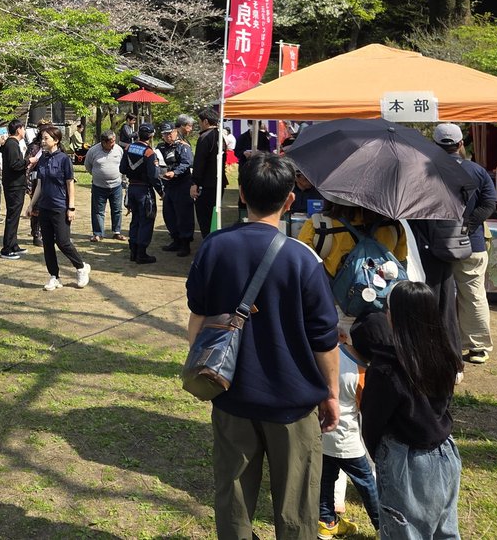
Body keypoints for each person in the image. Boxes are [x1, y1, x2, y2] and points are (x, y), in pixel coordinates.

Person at [186, 152, 340, 540]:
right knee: (297, 507)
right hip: (293, 402)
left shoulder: (214, 248)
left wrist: (204, 365)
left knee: (233, 499)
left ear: (242, 195)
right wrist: (332, 394)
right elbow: (324, 340)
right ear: (290, 200)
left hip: (230, 393)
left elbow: (198, 320)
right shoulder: (302, 259)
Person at [351, 282, 462, 540]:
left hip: (406, 460)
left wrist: (383, 454)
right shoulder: (445, 354)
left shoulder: (386, 368)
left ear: (395, 316)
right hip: (445, 452)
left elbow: (372, 421)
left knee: (405, 532)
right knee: (445, 531)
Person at [432, 122, 497, 365]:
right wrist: (468, 225)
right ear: (460, 144)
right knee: (473, 294)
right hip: (472, 243)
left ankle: (437, 342)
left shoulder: (425, 169)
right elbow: (489, 204)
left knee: (436, 293)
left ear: (434, 145)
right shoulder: (477, 171)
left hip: (435, 244)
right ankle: (477, 347)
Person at [318, 333, 381, 538]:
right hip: (347, 441)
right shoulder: (363, 372)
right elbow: (367, 410)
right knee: (367, 482)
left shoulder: (333, 351)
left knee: (326, 479)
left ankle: (326, 522)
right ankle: (383, 525)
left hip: (324, 432)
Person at [24, 126, 90, 291]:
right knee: (47, 244)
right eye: (42, 138)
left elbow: (70, 183)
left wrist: (71, 207)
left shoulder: (64, 159)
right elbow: (39, 184)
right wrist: (31, 204)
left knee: (63, 242)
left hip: (60, 206)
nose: (43, 141)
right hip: (44, 207)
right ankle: (54, 276)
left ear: (56, 140)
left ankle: (81, 267)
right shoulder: (43, 158)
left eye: (46, 138)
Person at [121, 123, 162, 264]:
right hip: (145, 191)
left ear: (138, 134)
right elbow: (154, 176)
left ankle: (133, 252)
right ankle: (141, 254)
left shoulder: (128, 148)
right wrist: (161, 191)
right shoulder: (149, 153)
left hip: (132, 188)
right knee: (146, 221)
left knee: (135, 220)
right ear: (151, 136)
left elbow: (122, 168)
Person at [157, 122, 195, 257]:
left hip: (182, 184)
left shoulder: (183, 146)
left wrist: (175, 172)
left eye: (170, 133)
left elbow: (187, 163)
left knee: (184, 214)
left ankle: (185, 243)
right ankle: (175, 239)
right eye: (165, 134)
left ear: (175, 132)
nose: (168, 136)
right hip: (168, 185)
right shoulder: (160, 147)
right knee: (169, 214)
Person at [84, 130, 125, 244]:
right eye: (111, 142)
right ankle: (98, 233)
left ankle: (117, 232)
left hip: (116, 186)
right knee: (98, 211)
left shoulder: (118, 149)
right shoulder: (93, 151)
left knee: (117, 210)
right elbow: (88, 165)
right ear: (104, 142)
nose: (113, 144)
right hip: (99, 186)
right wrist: (97, 175)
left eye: (114, 141)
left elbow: (122, 165)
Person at [190, 108, 224, 238]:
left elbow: (199, 162)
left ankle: (208, 242)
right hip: (218, 182)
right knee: (214, 215)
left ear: (205, 121)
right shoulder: (220, 136)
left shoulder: (205, 137)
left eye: (199, 121)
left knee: (205, 218)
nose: (199, 124)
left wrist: (195, 183)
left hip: (206, 184)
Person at [0, 119, 30, 259]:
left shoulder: (11, 143)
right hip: (14, 185)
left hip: (15, 184)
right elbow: (15, 165)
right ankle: (7, 248)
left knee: (15, 216)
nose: (24, 131)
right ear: (18, 130)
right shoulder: (12, 144)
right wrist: (28, 161)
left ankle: (13, 244)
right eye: (23, 128)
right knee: (12, 216)